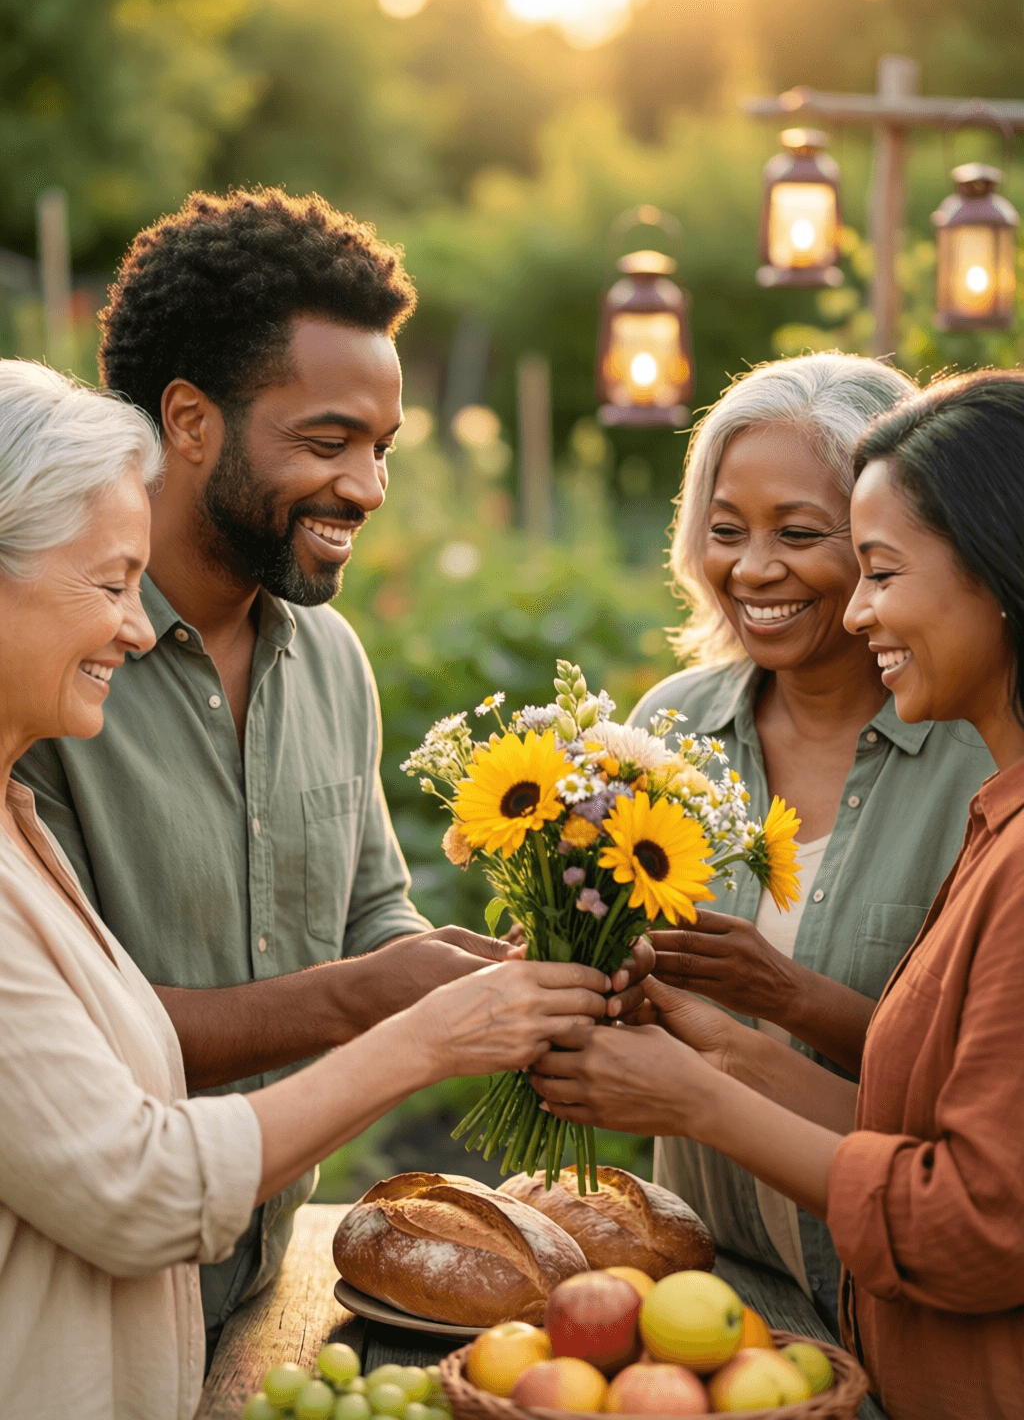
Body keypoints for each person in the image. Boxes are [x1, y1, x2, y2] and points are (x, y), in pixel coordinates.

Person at [9, 188, 651, 1347]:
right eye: (325, 442)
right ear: (191, 421)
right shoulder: (53, 677)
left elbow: (369, 916)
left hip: (260, 1282)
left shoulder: (332, 661)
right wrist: (379, 1000)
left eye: (382, 448)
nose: (365, 487)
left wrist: (477, 971)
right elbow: (73, 1040)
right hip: (75, 1308)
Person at [533, 367, 1024, 1419]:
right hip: (725, 1309)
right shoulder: (998, 814)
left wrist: (702, 1084)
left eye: (873, 566)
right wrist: (696, 1038)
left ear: (992, 570)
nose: (855, 608)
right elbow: (913, 1113)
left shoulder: (989, 801)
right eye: (725, 527)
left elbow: (973, 1215)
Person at [626, 353, 992, 1326]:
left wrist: (786, 996)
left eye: (798, 534)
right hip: (695, 1279)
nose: (751, 568)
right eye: (723, 531)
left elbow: (977, 1099)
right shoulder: (666, 730)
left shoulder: (983, 762)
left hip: (896, 1299)